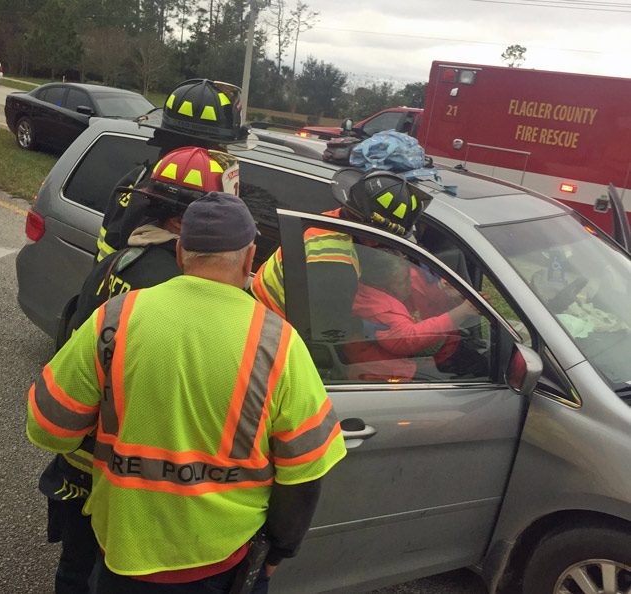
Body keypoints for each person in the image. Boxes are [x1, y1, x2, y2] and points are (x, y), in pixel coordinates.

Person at [27, 193, 347, 593]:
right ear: (250, 259)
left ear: (180, 252)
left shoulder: (117, 317)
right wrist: (279, 551)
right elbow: (304, 473)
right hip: (222, 563)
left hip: (123, 555)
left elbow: (48, 428)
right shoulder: (279, 344)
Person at [38, 145, 240, 594]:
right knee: (106, 573)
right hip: (120, 475)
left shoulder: (118, 260)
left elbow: (70, 343)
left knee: (74, 569)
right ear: (179, 223)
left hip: (78, 459)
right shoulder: (174, 292)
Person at [250, 167, 428, 340]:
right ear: (374, 236)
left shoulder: (333, 220)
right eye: (386, 238)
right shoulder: (335, 266)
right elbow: (328, 335)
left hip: (261, 312)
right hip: (272, 332)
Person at [96, 78, 246, 262]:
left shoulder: (136, 179)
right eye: (222, 147)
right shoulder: (178, 201)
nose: (225, 154)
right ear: (200, 149)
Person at [350, 248, 482, 381]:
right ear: (383, 286)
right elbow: (408, 340)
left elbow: (425, 294)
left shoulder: (397, 280)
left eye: (409, 277)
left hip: (432, 354)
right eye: (403, 281)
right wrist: (462, 311)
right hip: (395, 373)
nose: (410, 284)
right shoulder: (378, 308)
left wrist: (451, 295)